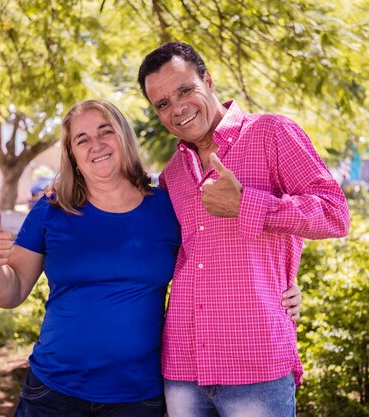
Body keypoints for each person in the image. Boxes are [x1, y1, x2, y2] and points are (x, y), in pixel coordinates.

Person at [0, 99, 303, 416]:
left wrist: (284, 285)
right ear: (72, 155)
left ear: (124, 136)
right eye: (82, 139)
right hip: (53, 393)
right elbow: (11, 291)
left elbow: (215, 253)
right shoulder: (51, 211)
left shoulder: (166, 204)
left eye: (106, 131)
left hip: (138, 399)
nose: (96, 144)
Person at [138, 42, 350, 417]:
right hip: (183, 366)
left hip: (255, 363)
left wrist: (246, 205)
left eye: (185, 90)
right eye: (163, 104)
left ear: (209, 79)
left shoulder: (272, 134)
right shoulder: (172, 173)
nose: (178, 109)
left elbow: (335, 214)